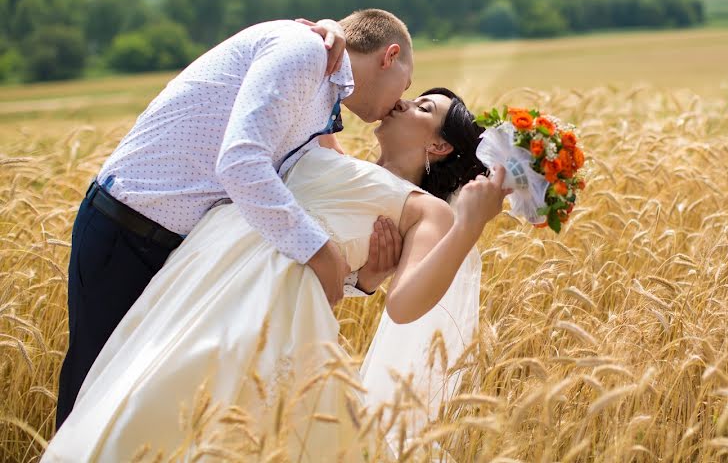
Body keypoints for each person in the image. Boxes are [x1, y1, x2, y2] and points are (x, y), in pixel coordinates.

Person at [42, 88, 509, 462]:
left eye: (424, 106)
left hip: (265, 306)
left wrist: (469, 225)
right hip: (203, 274)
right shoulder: (329, 147)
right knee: (137, 395)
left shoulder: (426, 211)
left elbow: (403, 304)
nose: (404, 101)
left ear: (439, 145)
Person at [55, 10, 415, 428]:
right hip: (128, 231)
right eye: (406, 86)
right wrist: (320, 252)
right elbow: (241, 163)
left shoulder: (323, 89)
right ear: (390, 56)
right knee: (91, 400)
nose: (402, 101)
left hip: (183, 254)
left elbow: (303, 201)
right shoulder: (304, 52)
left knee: (142, 411)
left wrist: (361, 277)